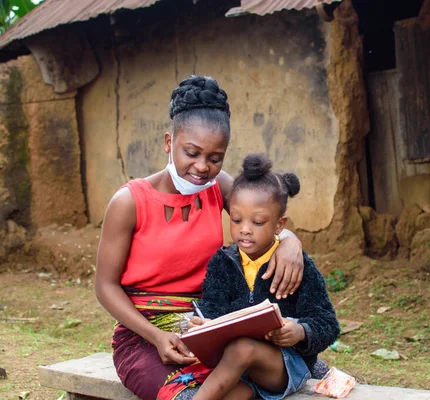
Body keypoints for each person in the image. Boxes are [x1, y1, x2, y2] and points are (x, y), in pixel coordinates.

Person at [95, 76, 306, 400]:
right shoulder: (129, 202)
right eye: (191, 153)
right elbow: (105, 287)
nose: (202, 167)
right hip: (146, 338)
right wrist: (155, 336)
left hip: (210, 327)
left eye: (215, 158)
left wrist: (291, 242)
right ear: (169, 142)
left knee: (261, 383)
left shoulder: (218, 186)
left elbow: (262, 217)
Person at [190, 153, 340, 400]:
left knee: (242, 349)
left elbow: (327, 323)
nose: (245, 229)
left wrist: (301, 331)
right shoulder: (223, 262)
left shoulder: (295, 265)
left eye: (258, 222)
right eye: (236, 219)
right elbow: (211, 309)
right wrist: (206, 324)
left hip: (283, 366)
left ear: (280, 225)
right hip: (238, 371)